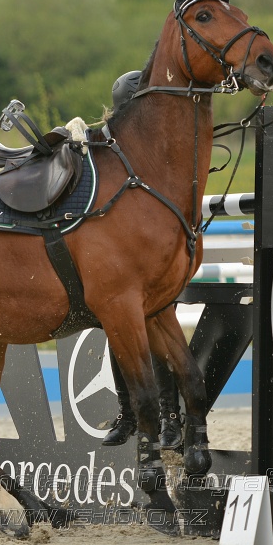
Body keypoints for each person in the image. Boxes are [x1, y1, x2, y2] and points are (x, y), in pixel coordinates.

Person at [100, 70, 183, 450]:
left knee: (154, 336)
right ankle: (129, 411)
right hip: (128, 254)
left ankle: (170, 415)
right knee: (120, 333)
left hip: (158, 254)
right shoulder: (115, 143)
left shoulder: (161, 144)